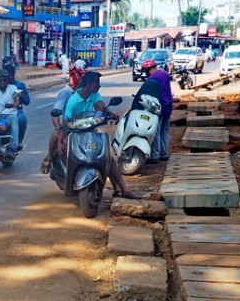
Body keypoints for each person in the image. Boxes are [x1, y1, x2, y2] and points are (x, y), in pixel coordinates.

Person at [64, 71, 141, 199]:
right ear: (89, 84)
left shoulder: (94, 95)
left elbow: (101, 105)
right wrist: (62, 138)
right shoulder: (73, 101)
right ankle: (67, 179)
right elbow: (66, 121)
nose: (99, 86)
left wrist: (109, 113)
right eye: (96, 83)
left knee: (107, 157)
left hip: (91, 132)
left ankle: (123, 189)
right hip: (75, 134)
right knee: (69, 154)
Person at [40, 66, 85, 174]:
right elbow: (55, 113)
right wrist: (58, 127)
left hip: (81, 124)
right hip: (67, 125)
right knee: (57, 133)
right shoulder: (65, 93)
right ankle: (49, 157)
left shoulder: (81, 93)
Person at [140, 58, 175, 164]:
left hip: (158, 107)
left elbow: (145, 93)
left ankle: (155, 156)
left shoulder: (151, 79)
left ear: (147, 69)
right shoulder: (165, 74)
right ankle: (164, 154)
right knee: (165, 131)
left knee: (156, 132)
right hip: (168, 105)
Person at [4, 63, 29, 150]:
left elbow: (27, 101)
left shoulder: (19, 85)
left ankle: (18, 141)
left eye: (11, 75)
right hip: (0, 110)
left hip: (16, 110)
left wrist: (21, 95)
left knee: (21, 119)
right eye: (8, 75)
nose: (10, 77)